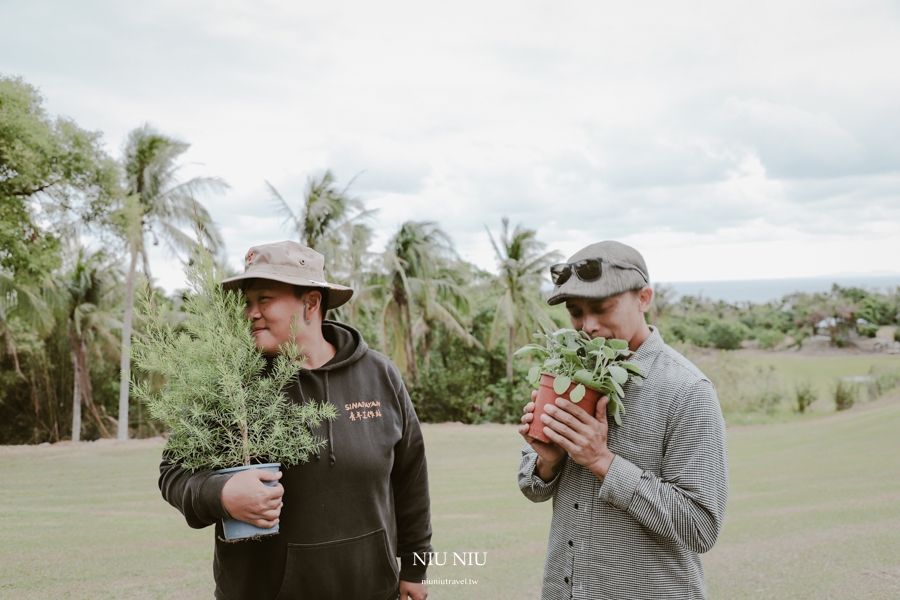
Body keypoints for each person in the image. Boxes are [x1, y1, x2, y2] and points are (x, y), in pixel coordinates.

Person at [159, 240, 432, 600]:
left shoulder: (379, 374)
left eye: (264, 299)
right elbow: (174, 474)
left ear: (311, 303)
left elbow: (410, 479)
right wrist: (222, 493)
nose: (250, 313)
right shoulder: (231, 383)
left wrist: (414, 567)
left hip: (372, 590)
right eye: (246, 302)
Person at [517, 241, 729, 600]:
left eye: (601, 308)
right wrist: (547, 462)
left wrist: (602, 461)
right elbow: (531, 488)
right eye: (576, 312)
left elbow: (701, 527)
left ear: (644, 298)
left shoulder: (688, 390)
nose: (589, 326)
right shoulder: (570, 374)